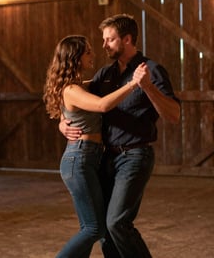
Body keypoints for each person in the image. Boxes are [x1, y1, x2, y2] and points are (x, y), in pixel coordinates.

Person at [59, 14, 181, 258]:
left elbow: (174, 115)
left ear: (127, 39)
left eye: (110, 40)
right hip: (106, 158)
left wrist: (146, 86)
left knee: (117, 222)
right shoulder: (105, 74)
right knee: (103, 227)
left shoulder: (152, 70)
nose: (104, 45)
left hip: (135, 155)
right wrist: (62, 123)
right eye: (104, 40)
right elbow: (71, 96)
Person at [43, 35, 143, 258]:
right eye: (88, 51)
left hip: (89, 157)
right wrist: (133, 83)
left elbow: (69, 112)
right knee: (93, 229)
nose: (93, 54)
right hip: (79, 159)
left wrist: (62, 124)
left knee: (91, 227)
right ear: (75, 57)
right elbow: (102, 105)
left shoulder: (78, 86)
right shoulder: (71, 90)